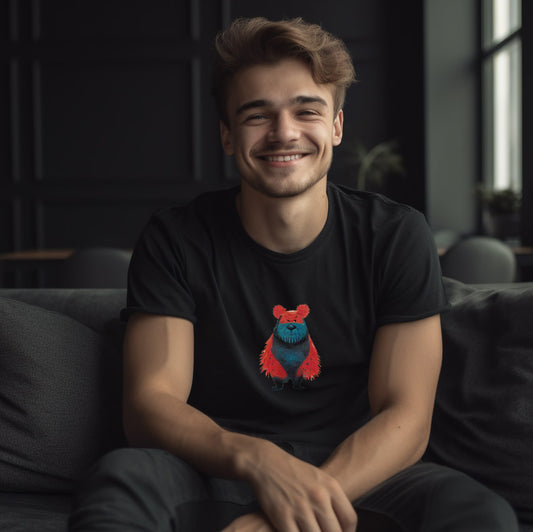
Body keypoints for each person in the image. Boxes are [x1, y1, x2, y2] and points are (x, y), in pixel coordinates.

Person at [69, 17, 518, 532]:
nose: (284, 132)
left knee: (479, 515)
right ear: (227, 134)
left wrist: (281, 515)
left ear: (336, 127)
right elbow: (151, 403)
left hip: (358, 471)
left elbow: (406, 417)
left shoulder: (396, 234)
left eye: (307, 111)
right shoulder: (177, 237)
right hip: (213, 468)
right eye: (257, 116)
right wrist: (261, 463)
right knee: (120, 482)